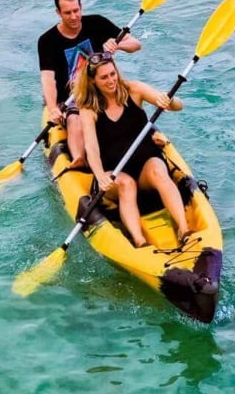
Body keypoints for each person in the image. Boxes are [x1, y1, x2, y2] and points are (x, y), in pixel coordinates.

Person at [75, 52, 188, 247]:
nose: (111, 80)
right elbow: (91, 148)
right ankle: (140, 241)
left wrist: (169, 101)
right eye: (104, 77)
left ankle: (184, 229)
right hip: (115, 172)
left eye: (113, 74)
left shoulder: (134, 90)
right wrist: (100, 175)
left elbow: (178, 106)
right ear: (93, 81)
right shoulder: (89, 109)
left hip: (144, 165)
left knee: (158, 170)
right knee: (127, 184)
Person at [38, 0, 139, 167]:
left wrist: (117, 45)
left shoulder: (97, 23)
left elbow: (135, 44)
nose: (74, 16)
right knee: (76, 119)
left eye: (76, 10)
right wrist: (53, 108)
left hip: (103, 88)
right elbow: (47, 79)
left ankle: (144, 139)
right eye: (67, 13)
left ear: (81, 7)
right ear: (58, 13)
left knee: (129, 104)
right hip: (73, 98)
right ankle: (79, 159)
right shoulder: (47, 41)